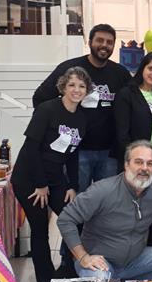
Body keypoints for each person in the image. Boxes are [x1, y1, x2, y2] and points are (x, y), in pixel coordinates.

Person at [11, 67, 91, 282]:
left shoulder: (81, 119)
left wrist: (72, 185)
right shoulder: (47, 109)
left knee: (76, 220)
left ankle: (69, 269)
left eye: (82, 86)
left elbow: (73, 154)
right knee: (40, 230)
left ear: (87, 91)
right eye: (72, 85)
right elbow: (31, 149)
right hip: (29, 178)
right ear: (63, 86)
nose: (77, 90)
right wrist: (40, 184)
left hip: (55, 179)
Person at [57, 140, 152, 281]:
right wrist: (83, 257)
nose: (145, 168)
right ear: (126, 165)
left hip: (135, 261)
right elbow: (65, 219)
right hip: (100, 262)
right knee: (100, 279)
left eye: (150, 163)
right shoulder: (102, 190)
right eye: (138, 162)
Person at [33, 24, 132, 190]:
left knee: (106, 204)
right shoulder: (70, 68)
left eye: (109, 42)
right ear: (89, 41)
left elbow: (134, 104)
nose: (104, 45)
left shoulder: (120, 73)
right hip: (77, 153)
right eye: (99, 40)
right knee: (77, 203)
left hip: (110, 154)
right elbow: (40, 98)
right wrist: (55, 128)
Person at [115, 52, 152, 245]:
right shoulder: (127, 94)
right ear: (142, 69)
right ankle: (132, 252)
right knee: (134, 209)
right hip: (138, 164)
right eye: (150, 68)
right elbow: (122, 133)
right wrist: (131, 163)